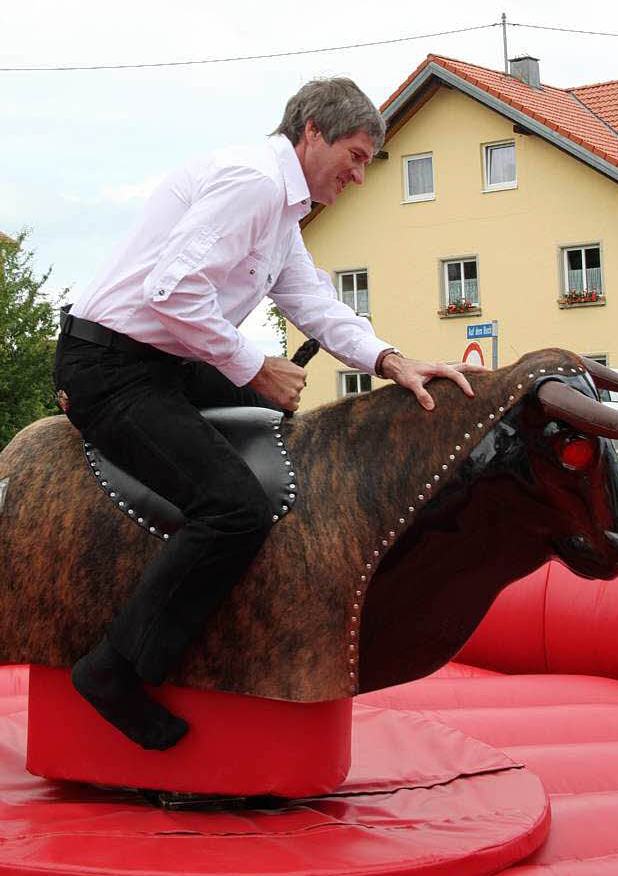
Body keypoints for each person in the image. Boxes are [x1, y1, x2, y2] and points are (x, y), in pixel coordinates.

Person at [53, 77, 483, 751]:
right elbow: (172, 292)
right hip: (109, 368)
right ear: (311, 132)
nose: (362, 176)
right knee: (236, 507)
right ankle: (115, 668)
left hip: (158, 362)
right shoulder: (254, 183)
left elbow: (311, 300)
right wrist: (252, 363)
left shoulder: (284, 210)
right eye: (358, 155)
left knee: (267, 412)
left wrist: (393, 360)